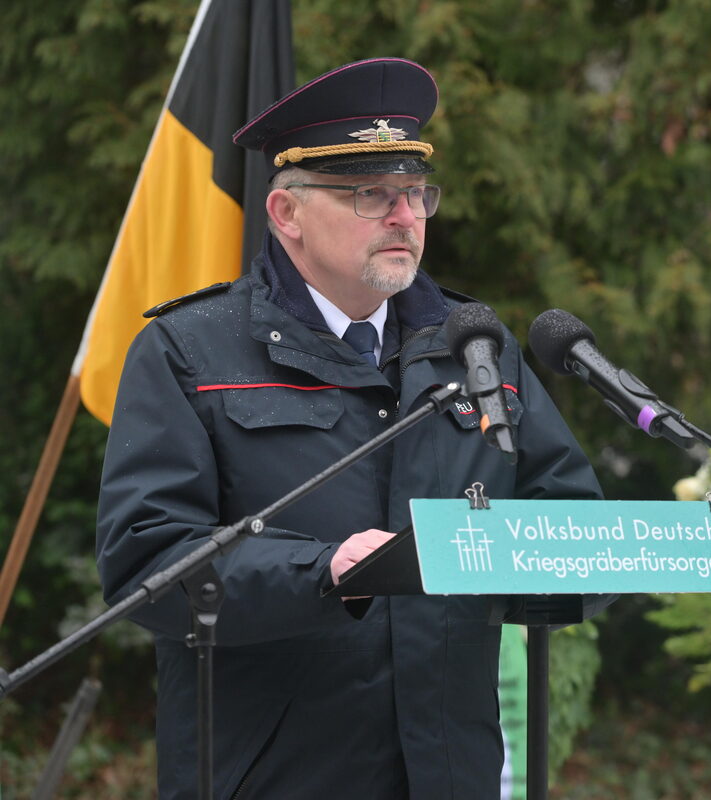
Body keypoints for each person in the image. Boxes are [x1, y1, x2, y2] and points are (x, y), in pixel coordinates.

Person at [96, 58, 605, 799]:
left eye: (416, 193)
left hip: (448, 773)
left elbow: (570, 517)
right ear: (286, 215)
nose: (406, 217)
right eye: (370, 194)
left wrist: (548, 559)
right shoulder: (189, 352)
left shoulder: (475, 349)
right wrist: (324, 571)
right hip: (271, 777)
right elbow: (148, 564)